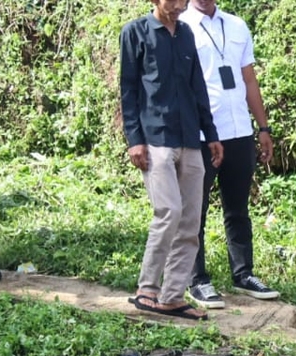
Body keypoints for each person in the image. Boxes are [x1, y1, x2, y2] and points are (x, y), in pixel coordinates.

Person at [120, 0, 224, 321]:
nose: (179, 5)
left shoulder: (187, 34)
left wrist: (211, 133)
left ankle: (173, 296)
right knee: (169, 212)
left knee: (191, 220)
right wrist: (134, 140)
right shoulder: (135, 32)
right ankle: (147, 289)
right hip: (155, 140)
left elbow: (198, 89)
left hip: (191, 139)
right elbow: (128, 89)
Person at [181, 0, 279, 309]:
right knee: (194, 208)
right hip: (202, 133)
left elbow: (248, 79)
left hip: (238, 130)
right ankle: (196, 279)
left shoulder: (236, 26)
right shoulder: (181, 27)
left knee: (237, 208)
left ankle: (243, 273)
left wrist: (262, 127)